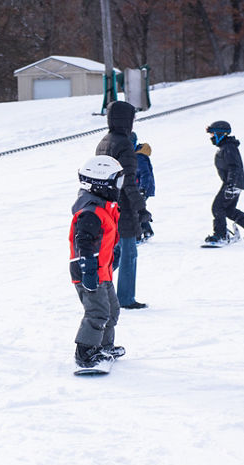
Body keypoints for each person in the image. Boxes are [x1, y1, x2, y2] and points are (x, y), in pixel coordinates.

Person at [70, 155, 126, 372]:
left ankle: (103, 346)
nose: (119, 186)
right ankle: (85, 353)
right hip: (89, 271)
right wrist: (88, 270)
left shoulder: (104, 207)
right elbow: (83, 242)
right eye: (116, 181)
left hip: (102, 271)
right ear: (101, 182)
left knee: (112, 310)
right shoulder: (90, 211)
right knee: (97, 312)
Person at [96, 101, 150, 310]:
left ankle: (98, 288)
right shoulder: (125, 144)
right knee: (129, 253)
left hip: (105, 204)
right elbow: (129, 181)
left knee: (113, 252)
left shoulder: (104, 141)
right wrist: (141, 208)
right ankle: (126, 298)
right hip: (123, 207)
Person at [204, 121, 244, 245]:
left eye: (213, 134)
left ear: (220, 134)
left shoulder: (229, 148)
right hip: (233, 182)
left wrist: (231, 185)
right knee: (228, 209)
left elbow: (234, 167)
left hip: (232, 183)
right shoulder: (226, 147)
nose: (211, 137)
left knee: (218, 207)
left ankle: (221, 235)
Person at [133, 135, 155, 243]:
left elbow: (145, 174)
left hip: (142, 188)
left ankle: (138, 234)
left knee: (135, 209)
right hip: (139, 188)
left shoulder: (139, 157)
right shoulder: (136, 156)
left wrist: (142, 189)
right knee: (138, 209)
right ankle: (147, 230)